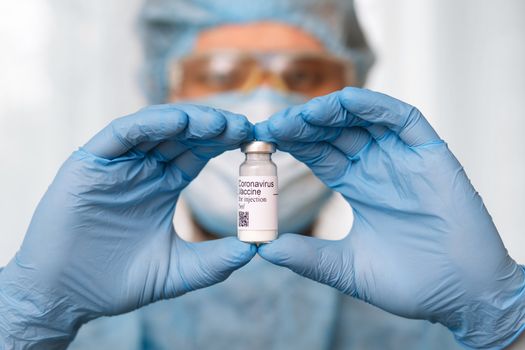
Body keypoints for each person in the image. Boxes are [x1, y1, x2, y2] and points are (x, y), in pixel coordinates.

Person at [0, 0, 524, 349]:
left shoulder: (432, 328)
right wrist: (24, 322)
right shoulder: (84, 330)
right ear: (165, 93)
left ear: (351, 92)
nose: (264, 98)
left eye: (303, 76)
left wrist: (505, 324)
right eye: (220, 74)